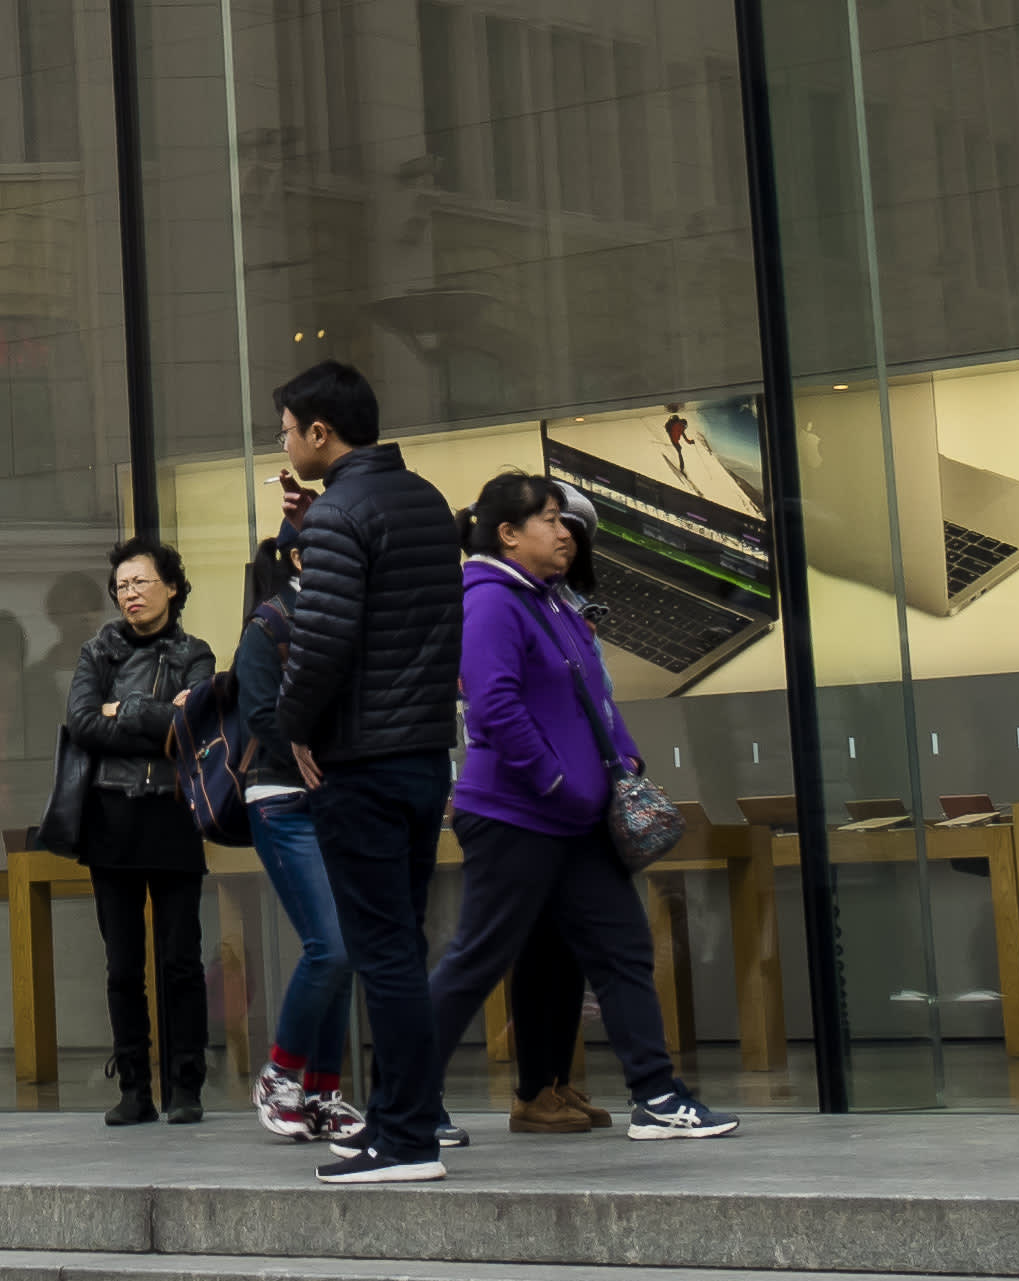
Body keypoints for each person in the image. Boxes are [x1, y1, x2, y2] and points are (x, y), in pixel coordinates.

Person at [424, 474, 733, 1143]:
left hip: (577, 818)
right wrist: (558, 783)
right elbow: (495, 704)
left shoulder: (551, 604)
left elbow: (595, 698)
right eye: (549, 519)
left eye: (565, 519)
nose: (566, 531)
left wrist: (624, 764)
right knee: (477, 959)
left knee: (622, 951)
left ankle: (656, 1095)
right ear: (508, 534)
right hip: (517, 814)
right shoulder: (490, 600)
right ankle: (406, 1099)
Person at [266, 359, 460, 1183]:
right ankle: (399, 1119)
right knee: (400, 948)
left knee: (381, 953)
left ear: (320, 431)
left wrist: (293, 728)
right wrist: (314, 528)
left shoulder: (342, 512)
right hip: (421, 755)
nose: (281, 441)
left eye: (286, 428)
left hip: (363, 762)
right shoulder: (422, 500)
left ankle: (406, 1140)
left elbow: (324, 640)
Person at [66, 536, 217, 1128]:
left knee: (181, 959)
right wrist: (155, 717)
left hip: (174, 812)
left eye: (141, 582)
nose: (129, 594)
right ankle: (134, 1087)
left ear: (172, 587)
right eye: (121, 585)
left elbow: (196, 724)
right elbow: (80, 722)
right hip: (112, 816)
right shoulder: (97, 650)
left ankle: (186, 1086)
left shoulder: (194, 653)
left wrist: (118, 710)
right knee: (123, 966)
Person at [228, 542, 351, 1146]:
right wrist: (318, 756)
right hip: (281, 798)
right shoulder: (268, 624)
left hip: (336, 800)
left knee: (345, 947)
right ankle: (280, 1076)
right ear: (300, 559)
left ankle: (324, 1093)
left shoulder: (349, 616)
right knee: (328, 946)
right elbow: (260, 715)